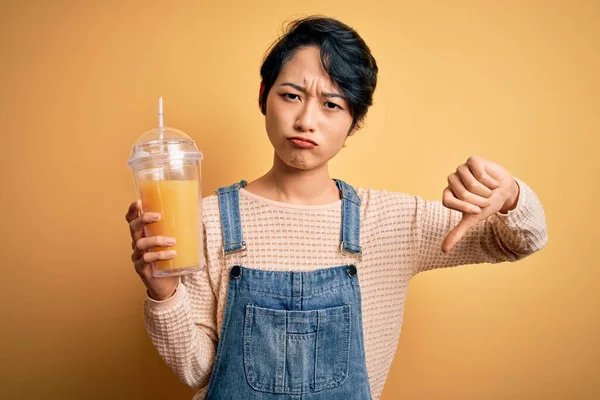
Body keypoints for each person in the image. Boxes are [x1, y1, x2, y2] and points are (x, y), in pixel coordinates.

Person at [125, 15, 548, 400]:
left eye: (331, 104)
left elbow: (519, 241)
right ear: (263, 95)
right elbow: (198, 370)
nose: (307, 120)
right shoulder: (207, 220)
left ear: (355, 121)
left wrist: (509, 195)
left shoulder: (391, 223)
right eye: (291, 95)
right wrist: (162, 292)